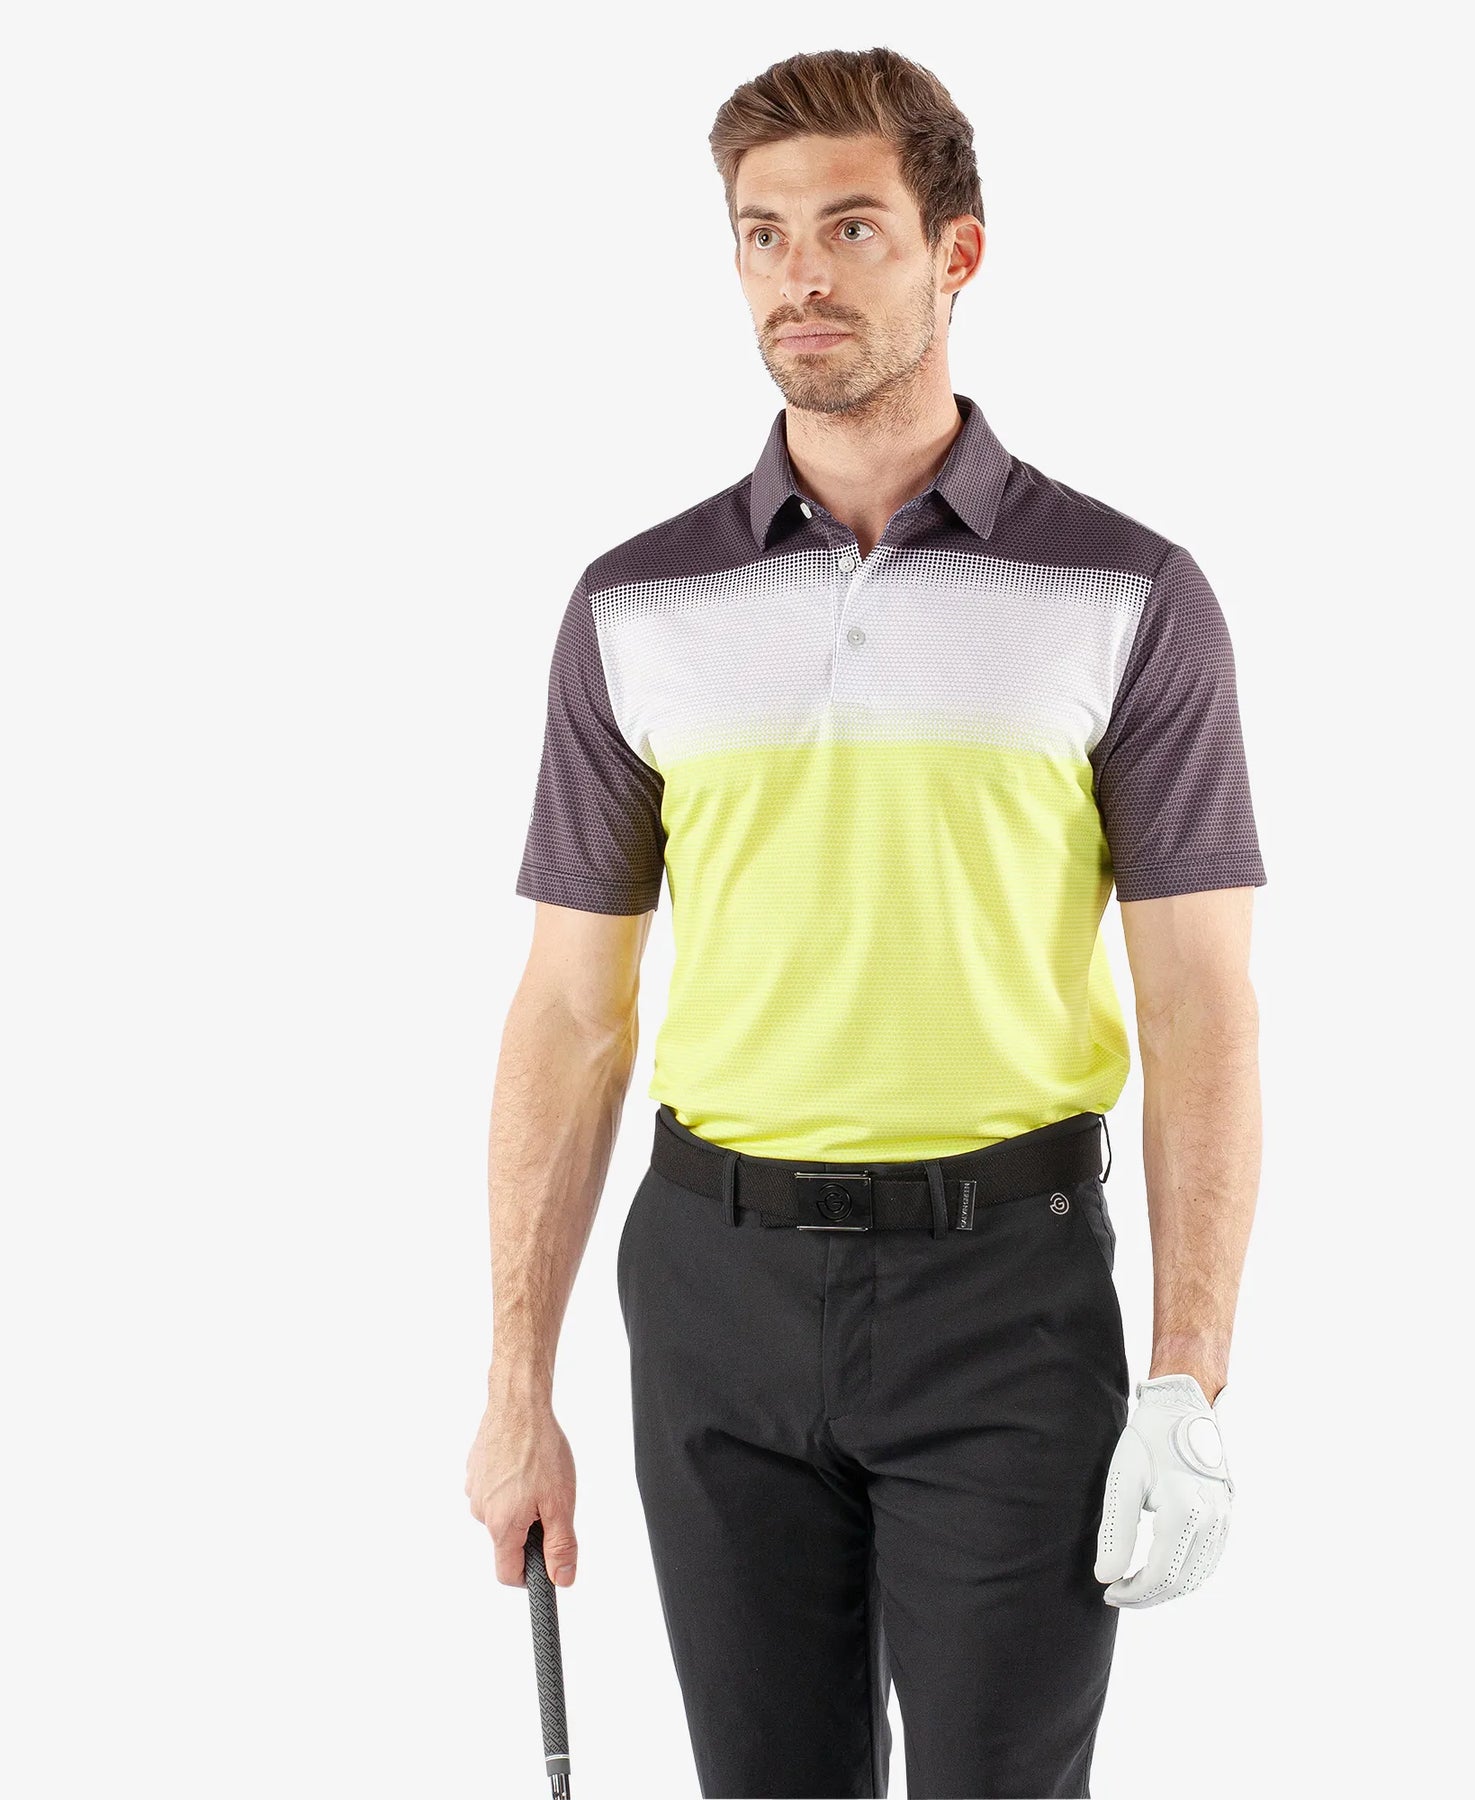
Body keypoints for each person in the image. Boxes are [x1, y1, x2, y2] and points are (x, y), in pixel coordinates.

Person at [466, 45, 1266, 1800]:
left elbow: (1202, 1001)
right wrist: (518, 1384)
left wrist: (1189, 1379)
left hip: (1010, 1297)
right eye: (762, 235)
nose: (800, 277)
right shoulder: (634, 604)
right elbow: (570, 1014)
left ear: (956, 252)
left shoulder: (1128, 593)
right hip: (712, 1285)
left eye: (850, 228)